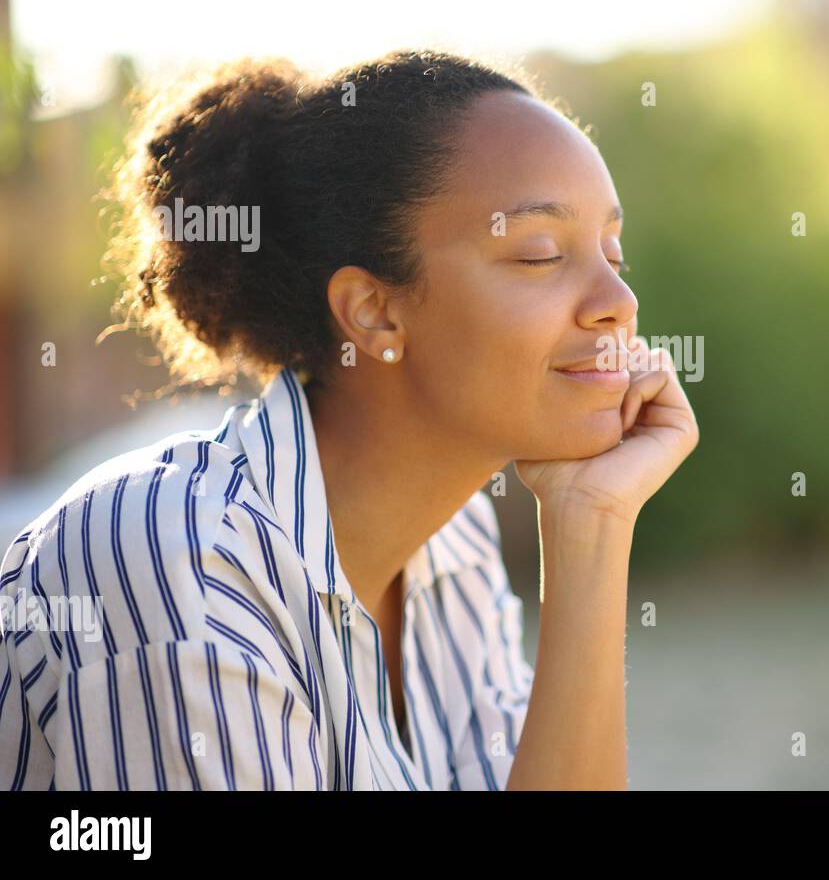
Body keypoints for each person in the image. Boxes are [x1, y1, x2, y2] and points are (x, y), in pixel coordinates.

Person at [0, 50, 699, 790]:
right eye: (540, 253)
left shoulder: (456, 546)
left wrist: (590, 522)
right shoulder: (177, 557)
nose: (617, 301)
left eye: (610, 252)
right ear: (373, 312)